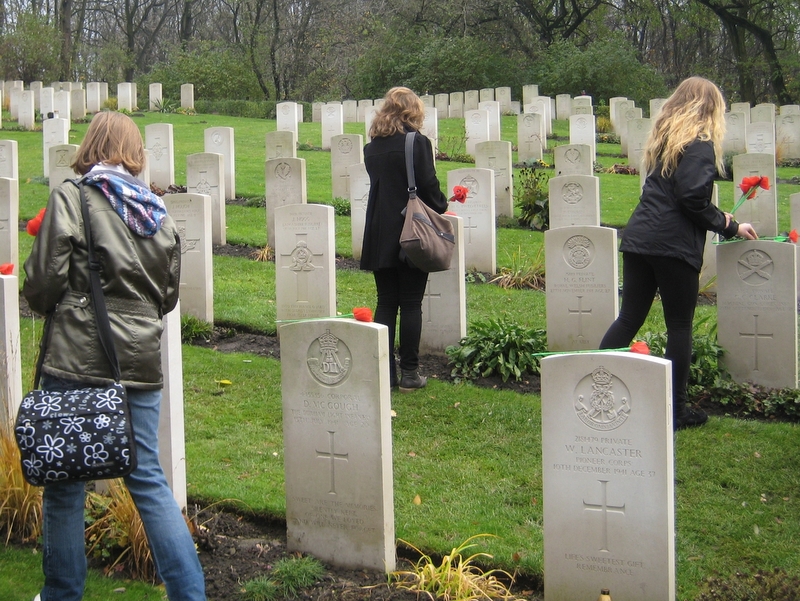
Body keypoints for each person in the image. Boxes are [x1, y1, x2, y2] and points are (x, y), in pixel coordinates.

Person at [24, 111, 206, 601]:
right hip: (140, 364)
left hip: (76, 357)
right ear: (135, 152)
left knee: (66, 482)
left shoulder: (72, 196)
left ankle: (63, 593)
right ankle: (190, 594)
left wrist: (50, 302)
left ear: (90, 145)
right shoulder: (157, 213)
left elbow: (44, 281)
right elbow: (166, 297)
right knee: (146, 476)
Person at [598, 76, 757, 430]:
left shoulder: (664, 140)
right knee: (680, 326)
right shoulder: (699, 144)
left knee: (629, 318)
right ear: (710, 109)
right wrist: (729, 225)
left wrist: (721, 218)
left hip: (639, 238)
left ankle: (597, 383)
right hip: (672, 245)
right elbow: (691, 198)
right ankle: (676, 409)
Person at [360, 87, 448, 391]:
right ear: (413, 111)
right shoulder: (417, 143)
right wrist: (442, 205)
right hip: (410, 229)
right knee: (411, 302)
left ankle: (386, 373)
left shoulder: (372, 148)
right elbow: (427, 185)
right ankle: (410, 373)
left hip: (378, 231)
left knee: (385, 302)